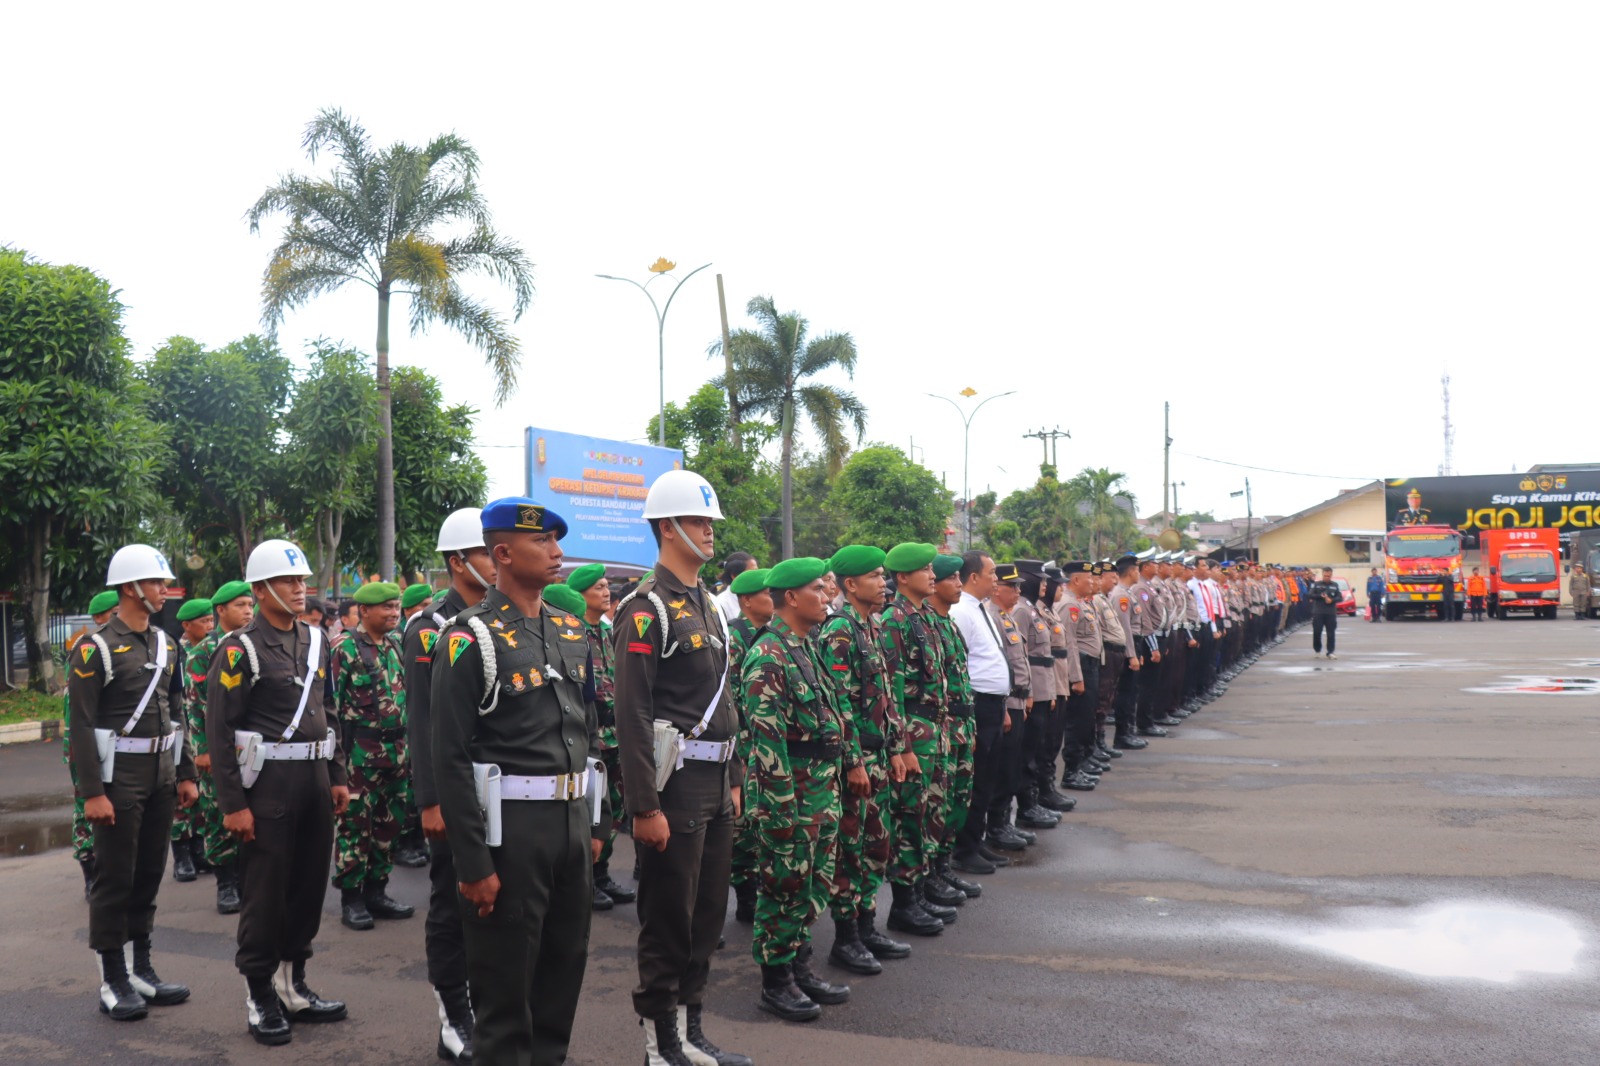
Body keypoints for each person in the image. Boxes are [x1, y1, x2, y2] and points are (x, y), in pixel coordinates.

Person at [431, 498, 609, 1066]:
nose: (558, 554)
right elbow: (450, 758)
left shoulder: (570, 629)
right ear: (503, 553)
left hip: (571, 824)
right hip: (511, 834)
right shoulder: (468, 638)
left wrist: (596, 822)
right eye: (543, 544)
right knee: (506, 998)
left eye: (558, 541)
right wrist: (473, 863)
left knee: (562, 976)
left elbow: (591, 734)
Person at [610, 470, 752, 1066]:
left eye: (711, 522)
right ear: (667, 528)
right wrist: (644, 805)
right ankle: (659, 1043)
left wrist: (737, 775)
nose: (710, 532)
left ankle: (692, 1033)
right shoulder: (644, 610)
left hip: (716, 782)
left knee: (705, 916)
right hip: (674, 786)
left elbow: (729, 701)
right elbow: (632, 716)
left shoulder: (712, 609)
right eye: (698, 521)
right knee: (667, 919)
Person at [208, 539, 350, 1045]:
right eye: (289, 581)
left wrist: (336, 776)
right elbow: (220, 732)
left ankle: (293, 985)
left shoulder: (315, 641)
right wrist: (234, 805)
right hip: (267, 787)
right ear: (260, 588)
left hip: (312, 781)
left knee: (308, 888)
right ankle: (259, 995)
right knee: (266, 895)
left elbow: (327, 711)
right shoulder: (239, 648)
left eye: (302, 579)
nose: (300, 587)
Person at [69, 544, 196, 1021]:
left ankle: (141, 967)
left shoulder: (167, 644)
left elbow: (177, 710)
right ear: (129, 588)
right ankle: (112, 977)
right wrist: (93, 794)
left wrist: (184, 773)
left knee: (148, 873)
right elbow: (80, 725)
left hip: (161, 772)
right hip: (117, 778)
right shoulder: (94, 647)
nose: (165, 591)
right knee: (114, 878)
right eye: (157, 583)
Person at [404, 507, 496, 1065]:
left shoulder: (501, 617)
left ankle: (487, 1007)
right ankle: (452, 1017)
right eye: (487, 551)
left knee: (491, 904)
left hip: (498, 790)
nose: (497, 559)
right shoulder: (430, 629)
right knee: (450, 903)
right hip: (454, 789)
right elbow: (422, 721)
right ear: (460, 561)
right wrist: (431, 799)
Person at [744, 556, 849, 1021]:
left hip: (819, 792)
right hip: (791, 796)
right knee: (783, 885)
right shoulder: (769, 655)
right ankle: (776, 981)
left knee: (812, 884)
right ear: (790, 598)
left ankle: (799, 965)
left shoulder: (804, 647)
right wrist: (781, 809)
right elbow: (765, 743)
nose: (826, 596)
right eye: (816, 589)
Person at [818, 546, 909, 970]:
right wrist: (853, 761)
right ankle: (846, 937)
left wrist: (896, 750)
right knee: (849, 851)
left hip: (877, 756)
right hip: (856, 761)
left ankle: (868, 927)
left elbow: (884, 699)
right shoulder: (839, 630)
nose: (883, 582)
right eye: (874, 575)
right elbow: (839, 705)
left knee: (877, 845)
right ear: (851, 585)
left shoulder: (869, 625)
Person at [329, 581, 415, 930]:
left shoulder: (394, 645)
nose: (394, 613)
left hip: (397, 755)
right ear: (364, 611)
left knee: (388, 826)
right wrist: (334, 766)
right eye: (386, 608)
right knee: (354, 829)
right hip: (359, 759)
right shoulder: (344, 649)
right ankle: (352, 898)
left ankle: (377, 892)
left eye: (396, 607)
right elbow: (329, 710)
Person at [880, 541, 951, 937]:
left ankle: (921, 889)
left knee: (930, 814)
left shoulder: (922, 617)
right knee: (910, 816)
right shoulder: (896, 620)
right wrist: (902, 745)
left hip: (934, 730)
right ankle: (904, 903)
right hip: (914, 733)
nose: (933, 576)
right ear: (903, 577)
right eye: (925, 570)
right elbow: (890, 689)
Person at [568, 562, 637, 911]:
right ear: (580, 595)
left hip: (616, 737)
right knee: (590, 809)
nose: (606, 591)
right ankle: (587, 879)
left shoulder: (608, 632)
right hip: (591, 737)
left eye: (607, 585)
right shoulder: (573, 634)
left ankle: (603, 874)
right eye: (597, 587)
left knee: (613, 810)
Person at [187, 580, 254, 916]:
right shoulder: (204, 652)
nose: (247, 611)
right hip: (218, 745)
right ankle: (225, 883)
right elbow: (195, 704)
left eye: (249, 604)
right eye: (240, 605)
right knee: (218, 812)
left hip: (253, 745)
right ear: (221, 610)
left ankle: (247, 879)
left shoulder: (253, 644)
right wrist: (202, 748)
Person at [949, 550, 1010, 880]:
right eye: (992, 573)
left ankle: (977, 839)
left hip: (993, 706)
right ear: (974, 577)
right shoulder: (962, 612)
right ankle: (964, 849)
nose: (996, 579)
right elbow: (961, 669)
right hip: (977, 705)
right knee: (973, 781)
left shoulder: (979, 609)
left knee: (987, 779)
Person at [726, 566, 774, 923]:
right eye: (767, 593)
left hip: (767, 744)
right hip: (743, 743)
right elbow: (728, 698)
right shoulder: (733, 637)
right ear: (747, 601)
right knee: (742, 826)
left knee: (765, 820)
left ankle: (758, 886)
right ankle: (745, 895)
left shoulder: (773, 634)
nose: (773, 599)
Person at [66, 589, 120, 902]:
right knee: (85, 807)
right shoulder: (89, 648)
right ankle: (90, 873)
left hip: (110, 740)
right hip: (84, 743)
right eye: (113, 613)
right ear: (99, 617)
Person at [169, 597, 214, 882]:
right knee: (181, 794)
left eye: (212, 621)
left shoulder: (214, 650)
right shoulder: (177, 652)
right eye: (203, 622)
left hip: (203, 730)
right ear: (187, 625)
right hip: (180, 730)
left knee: (204, 792)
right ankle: (181, 857)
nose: (209, 626)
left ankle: (199, 850)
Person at [714, 551, 757, 622]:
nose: (756, 576)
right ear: (734, 575)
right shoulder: (721, 603)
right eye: (752, 573)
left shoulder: (759, 597)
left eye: (757, 572)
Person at [1308, 566, 1341, 659]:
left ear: (1331, 575)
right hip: (1318, 612)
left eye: (1329, 576)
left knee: (1331, 633)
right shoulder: (1316, 584)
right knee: (1317, 632)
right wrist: (1320, 596)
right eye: (1325, 575)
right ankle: (1317, 650)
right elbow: (1310, 595)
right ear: (1322, 574)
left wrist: (1332, 600)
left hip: (1330, 613)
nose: (1327, 577)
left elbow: (1340, 597)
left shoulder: (1335, 585)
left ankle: (1330, 651)